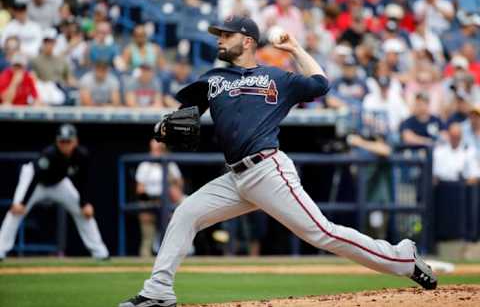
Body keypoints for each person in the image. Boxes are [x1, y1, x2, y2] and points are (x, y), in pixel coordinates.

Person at [119, 16, 437, 307]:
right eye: (218, 34)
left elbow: (320, 83)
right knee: (186, 213)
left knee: (323, 233)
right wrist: (163, 126)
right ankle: (158, 291)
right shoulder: (213, 78)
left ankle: (402, 258)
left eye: (226, 34)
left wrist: (296, 48)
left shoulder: (276, 77)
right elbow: (182, 115)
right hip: (235, 178)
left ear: (247, 41)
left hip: (268, 170)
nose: (218, 39)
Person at [0, 124, 109, 260]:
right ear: (57, 141)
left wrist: (84, 203)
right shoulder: (49, 154)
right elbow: (36, 177)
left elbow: (83, 181)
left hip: (59, 183)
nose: (65, 145)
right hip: (34, 182)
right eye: (62, 141)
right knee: (16, 211)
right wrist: (22, 202)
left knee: (84, 212)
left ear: (75, 141)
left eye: (68, 141)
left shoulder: (81, 155)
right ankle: (1, 249)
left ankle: (100, 253)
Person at [135, 139, 185, 258]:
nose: (156, 152)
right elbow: (140, 190)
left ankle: (178, 255)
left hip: (168, 202)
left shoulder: (170, 165)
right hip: (150, 202)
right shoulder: (145, 165)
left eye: (159, 149)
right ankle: (145, 260)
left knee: (179, 212)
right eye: (154, 149)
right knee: (147, 235)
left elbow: (179, 187)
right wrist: (150, 203)